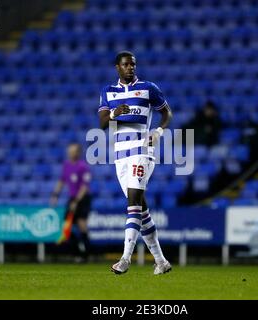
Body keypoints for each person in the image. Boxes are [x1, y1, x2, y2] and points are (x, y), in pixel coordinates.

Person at [98, 51, 173, 275]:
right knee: (141, 210)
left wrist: (159, 131)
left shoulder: (149, 88)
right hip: (120, 155)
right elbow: (102, 123)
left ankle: (125, 259)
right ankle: (161, 262)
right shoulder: (108, 92)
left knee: (133, 204)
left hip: (142, 151)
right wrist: (113, 114)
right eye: (126, 64)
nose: (131, 67)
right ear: (117, 68)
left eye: (133, 64)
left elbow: (167, 113)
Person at [50, 143, 91, 262]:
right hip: (72, 198)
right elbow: (61, 181)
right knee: (66, 226)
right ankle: (77, 253)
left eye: (72, 151)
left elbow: (85, 187)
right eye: (69, 151)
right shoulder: (66, 165)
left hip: (83, 199)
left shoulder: (83, 167)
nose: (70, 153)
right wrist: (55, 195)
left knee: (81, 224)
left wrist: (76, 201)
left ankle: (86, 254)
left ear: (78, 153)